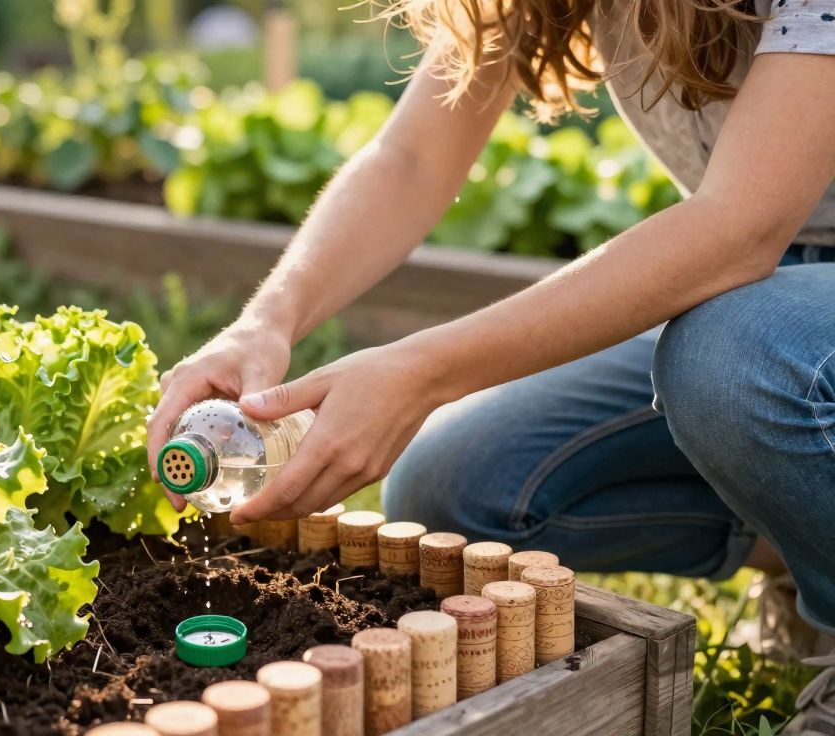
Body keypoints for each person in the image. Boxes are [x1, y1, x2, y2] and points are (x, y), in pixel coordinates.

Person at [146, 0, 835, 730]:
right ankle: (805, 549)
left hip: (753, 302)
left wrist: (421, 369)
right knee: (457, 482)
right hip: (761, 295)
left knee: (728, 357)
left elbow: (738, 228)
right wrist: (266, 320)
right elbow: (409, 161)